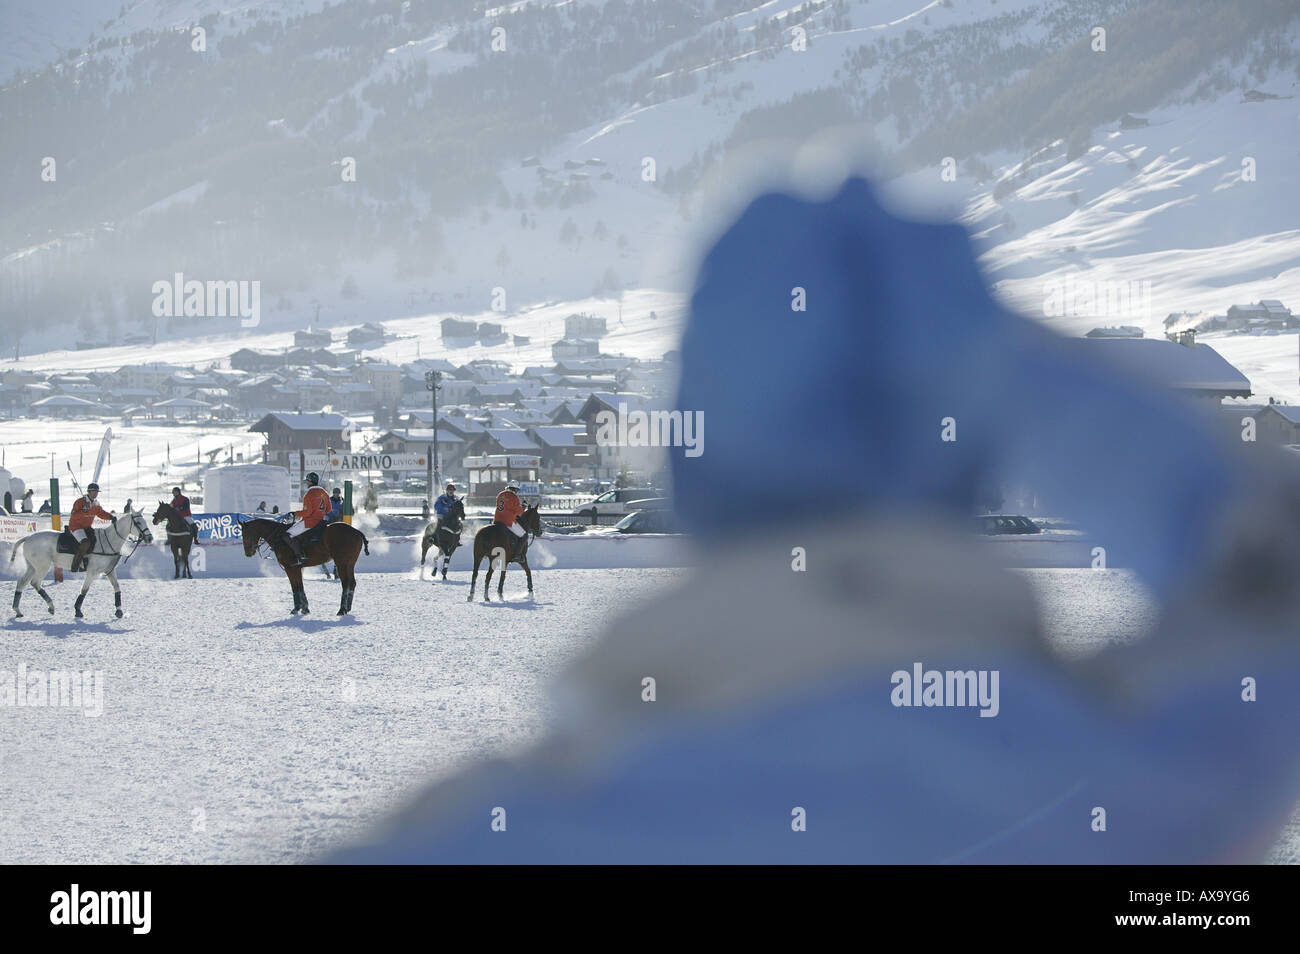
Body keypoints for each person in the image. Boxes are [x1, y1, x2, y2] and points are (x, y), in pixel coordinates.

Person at [285, 472, 331, 565]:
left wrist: (295, 513)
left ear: (310, 482)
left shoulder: (309, 494)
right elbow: (329, 509)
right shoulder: (324, 493)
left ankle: (300, 556)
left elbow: (307, 512)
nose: (306, 483)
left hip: (310, 522)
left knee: (287, 535)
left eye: (307, 481)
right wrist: (319, 512)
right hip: (321, 522)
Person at [68, 482, 113, 572]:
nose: (95, 493)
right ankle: (75, 565)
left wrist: (110, 517)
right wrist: (84, 511)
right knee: (85, 543)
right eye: (93, 491)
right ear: (89, 492)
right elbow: (73, 515)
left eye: (97, 491)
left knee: (96, 541)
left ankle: (87, 562)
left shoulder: (96, 503)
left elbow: (101, 513)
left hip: (87, 527)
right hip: (76, 527)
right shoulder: (80, 502)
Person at [493, 483, 527, 560]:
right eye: (517, 489)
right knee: (524, 536)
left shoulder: (500, 494)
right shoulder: (514, 497)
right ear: (515, 489)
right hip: (508, 522)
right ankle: (517, 555)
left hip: (497, 520)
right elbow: (518, 512)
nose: (517, 491)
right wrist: (524, 506)